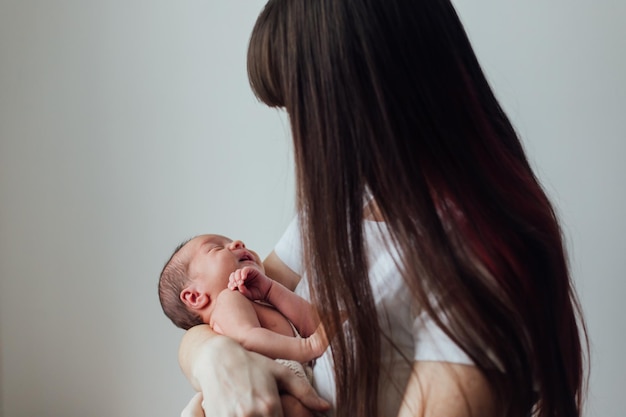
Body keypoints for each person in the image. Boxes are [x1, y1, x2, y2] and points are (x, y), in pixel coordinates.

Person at [177, 1, 589, 416]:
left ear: (353, 99)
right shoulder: (347, 208)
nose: (300, 137)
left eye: (300, 111)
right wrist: (212, 360)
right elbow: (221, 305)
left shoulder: (475, 270)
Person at [158, 234, 330, 417]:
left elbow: (315, 325)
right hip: (257, 389)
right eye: (216, 248)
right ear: (194, 296)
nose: (237, 243)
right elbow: (248, 338)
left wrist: (271, 290)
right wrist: (308, 347)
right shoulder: (227, 299)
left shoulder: (259, 302)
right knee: (293, 408)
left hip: (281, 381)